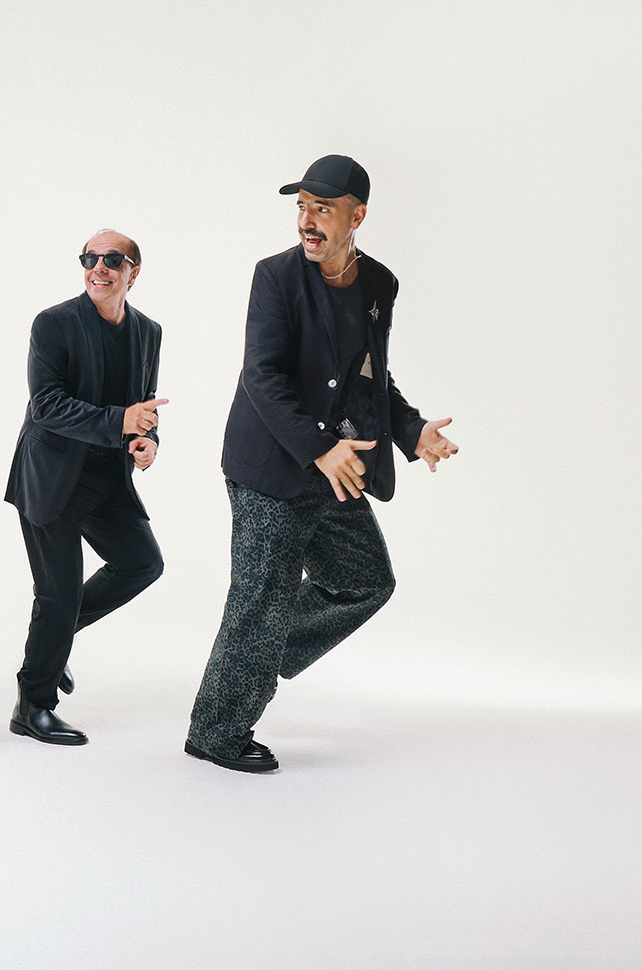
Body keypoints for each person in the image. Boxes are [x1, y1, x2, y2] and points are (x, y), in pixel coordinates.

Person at [185, 155, 459, 773]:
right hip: (272, 464)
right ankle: (216, 733)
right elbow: (261, 377)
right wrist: (319, 447)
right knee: (261, 596)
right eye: (302, 208)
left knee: (365, 581)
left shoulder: (379, 284)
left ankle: (252, 655)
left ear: (356, 217)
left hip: (339, 464)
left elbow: (371, 375)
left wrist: (412, 430)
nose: (307, 222)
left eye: (323, 210)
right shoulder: (275, 276)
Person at [2, 230, 167, 745]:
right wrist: (122, 422)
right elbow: (46, 406)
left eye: (112, 260)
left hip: (108, 480)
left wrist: (147, 440)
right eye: (90, 258)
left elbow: (144, 405)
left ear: (133, 272)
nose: (99, 267)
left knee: (143, 564)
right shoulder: (53, 323)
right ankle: (32, 706)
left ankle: (57, 640)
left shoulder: (149, 331)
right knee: (58, 595)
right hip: (51, 478)